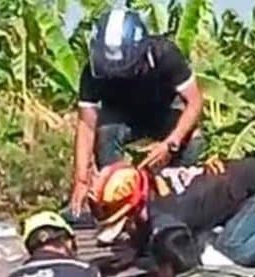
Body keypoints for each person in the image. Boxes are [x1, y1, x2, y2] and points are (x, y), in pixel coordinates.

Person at [70, 7, 205, 216]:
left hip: (162, 112)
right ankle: (116, 197)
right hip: (123, 117)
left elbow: (195, 102)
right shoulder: (92, 71)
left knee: (194, 139)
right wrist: (81, 179)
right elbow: (86, 125)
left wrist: (171, 143)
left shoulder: (165, 54)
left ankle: (177, 196)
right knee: (105, 133)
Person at [89, 157, 255, 266]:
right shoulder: (155, 188)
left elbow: (185, 262)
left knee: (232, 251)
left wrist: (145, 260)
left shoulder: (170, 212)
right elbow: (145, 220)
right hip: (254, 186)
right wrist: (135, 248)